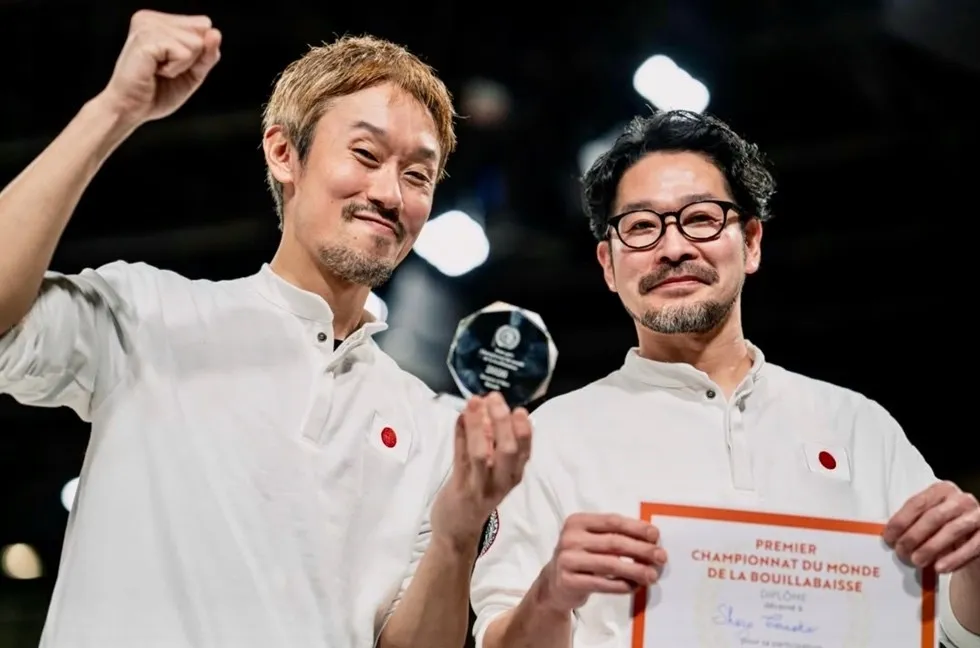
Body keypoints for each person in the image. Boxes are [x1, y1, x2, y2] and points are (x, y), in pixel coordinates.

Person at [0, 10, 531, 648]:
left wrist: (456, 533)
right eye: (365, 155)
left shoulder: (432, 426)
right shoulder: (150, 315)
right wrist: (113, 108)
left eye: (417, 174)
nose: (391, 193)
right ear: (284, 153)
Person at [469, 109, 980, 648]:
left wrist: (973, 559)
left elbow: (955, 631)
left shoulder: (859, 426)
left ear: (751, 241)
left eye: (701, 218)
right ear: (608, 265)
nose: (673, 248)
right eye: (641, 227)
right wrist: (551, 594)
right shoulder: (552, 438)